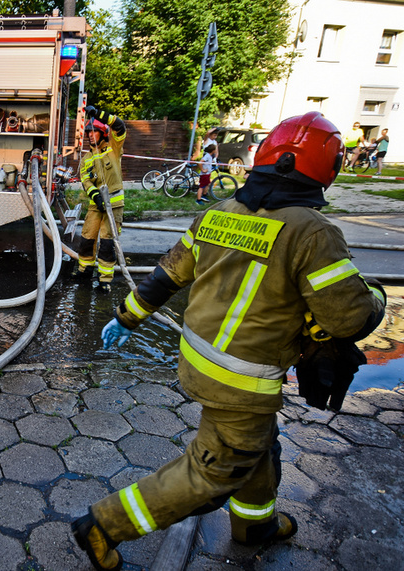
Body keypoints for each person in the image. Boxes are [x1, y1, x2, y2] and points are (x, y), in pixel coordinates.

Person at [71, 111, 386, 570]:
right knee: (213, 471)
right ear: (326, 169)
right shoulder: (311, 233)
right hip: (244, 382)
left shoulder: (218, 214)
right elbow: (351, 318)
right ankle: (102, 525)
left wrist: (126, 317)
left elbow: (165, 277)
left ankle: (255, 524)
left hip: (200, 363)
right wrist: (374, 293)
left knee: (258, 446)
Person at [70, 105, 127, 293]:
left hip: (114, 206)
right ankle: (84, 270)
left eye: (93, 132)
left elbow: (120, 126)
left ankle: (105, 280)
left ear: (103, 133)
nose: (89, 136)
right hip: (96, 205)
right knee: (87, 238)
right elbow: (85, 180)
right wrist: (95, 196)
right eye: (87, 133)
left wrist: (100, 115)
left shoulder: (113, 146)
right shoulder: (87, 157)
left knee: (107, 243)